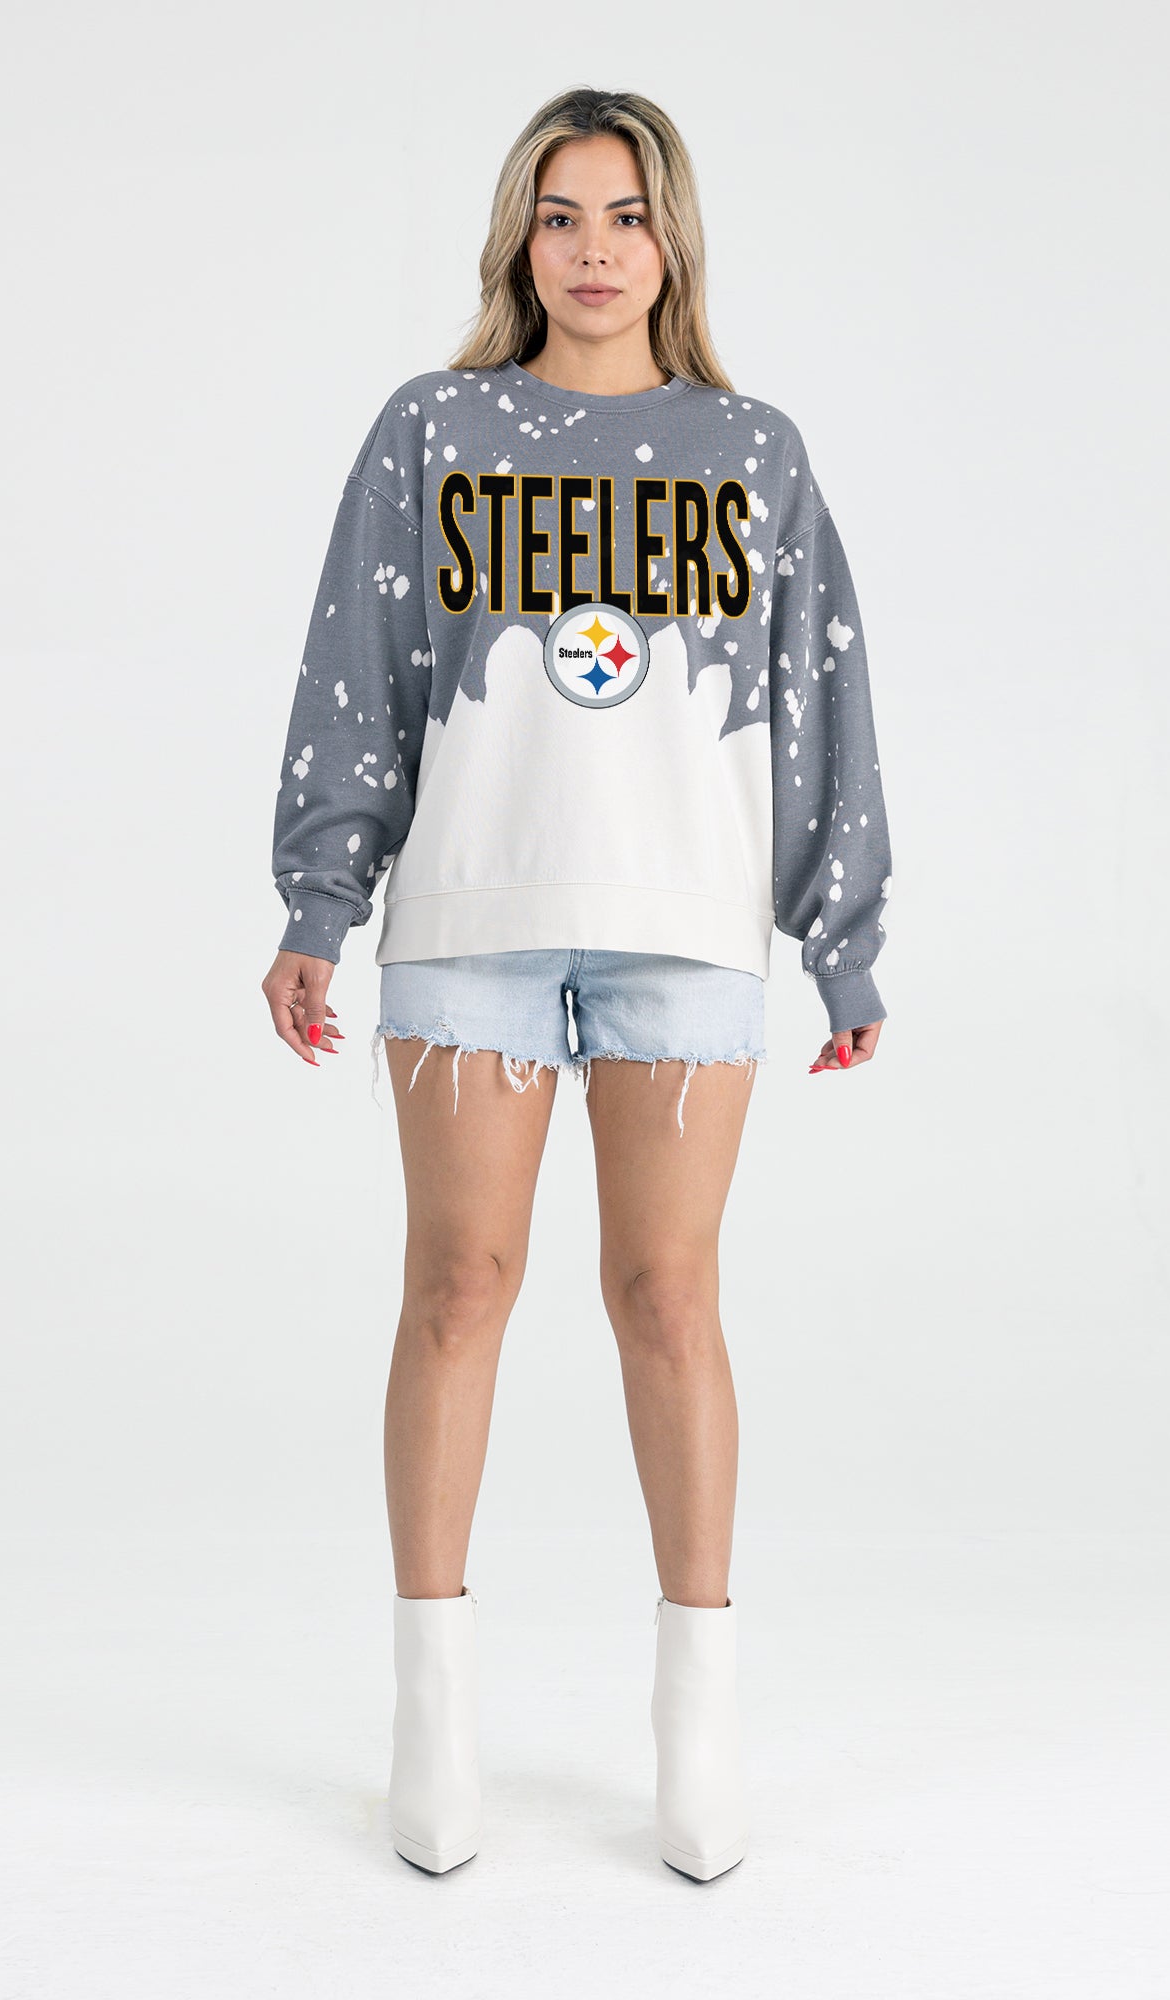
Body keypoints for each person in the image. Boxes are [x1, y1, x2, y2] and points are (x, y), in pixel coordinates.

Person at [264, 85, 893, 1883]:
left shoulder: (752, 453)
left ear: (671, 241)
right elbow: (360, 671)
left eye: (626, 214)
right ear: (519, 241)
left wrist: (840, 935)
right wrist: (319, 903)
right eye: (561, 215)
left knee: (667, 1301)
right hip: (471, 916)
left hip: (685, 925)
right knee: (457, 1289)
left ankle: (698, 1719)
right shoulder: (435, 429)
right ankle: (432, 1713)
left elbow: (823, 698)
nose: (595, 248)